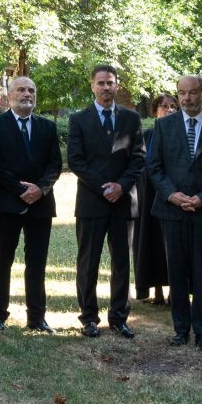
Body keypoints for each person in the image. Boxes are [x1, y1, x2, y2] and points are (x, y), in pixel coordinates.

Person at [147, 75, 202, 350]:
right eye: (182, 93)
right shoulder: (164, 126)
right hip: (172, 211)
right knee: (177, 271)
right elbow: (154, 166)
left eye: (193, 93)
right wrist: (172, 195)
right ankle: (180, 329)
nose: (187, 98)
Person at [66, 63, 147, 338]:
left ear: (117, 85)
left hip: (123, 202)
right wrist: (103, 188)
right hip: (92, 201)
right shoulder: (79, 119)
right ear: (92, 86)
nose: (106, 88)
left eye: (110, 83)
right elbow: (76, 160)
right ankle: (88, 317)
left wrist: (121, 186)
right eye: (100, 83)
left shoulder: (131, 118)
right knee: (88, 262)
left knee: (122, 262)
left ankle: (119, 317)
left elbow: (138, 158)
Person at [0, 75, 63, 332]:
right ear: (10, 95)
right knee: (2, 260)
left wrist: (40, 189)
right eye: (21, 90)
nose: (27, 94)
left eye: (31, 90)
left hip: (41, 205)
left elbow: (55, 164)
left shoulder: (47, 127)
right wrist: (20, 190)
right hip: (8, 203)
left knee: (37, 262)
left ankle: (37, 317)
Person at [133, 94, 178, 305]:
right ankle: (157, 291)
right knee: (151, 242)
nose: (168, 110)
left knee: (172, 244)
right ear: (155, 110)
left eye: (173, 107)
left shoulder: (180, 134)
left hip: (173, 195)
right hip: (149, 194)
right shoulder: (147, 135)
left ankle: (174, 292)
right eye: (164, 106)